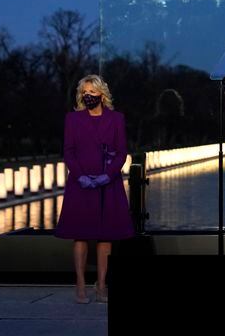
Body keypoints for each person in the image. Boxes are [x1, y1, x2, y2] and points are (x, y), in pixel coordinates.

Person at [55, 74, 134, 303]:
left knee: (105, 236)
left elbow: (121, 152)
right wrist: (80, 176)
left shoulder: (117, 119)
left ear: (102, 94)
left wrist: (106, 177)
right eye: (84, 92)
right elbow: (68, 151)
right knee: (80, 235)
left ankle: (102, 285)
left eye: (91, 92)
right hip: (81, 184)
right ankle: (80, 285)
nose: (87, 96)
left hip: (107, 184)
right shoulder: (73, 119)